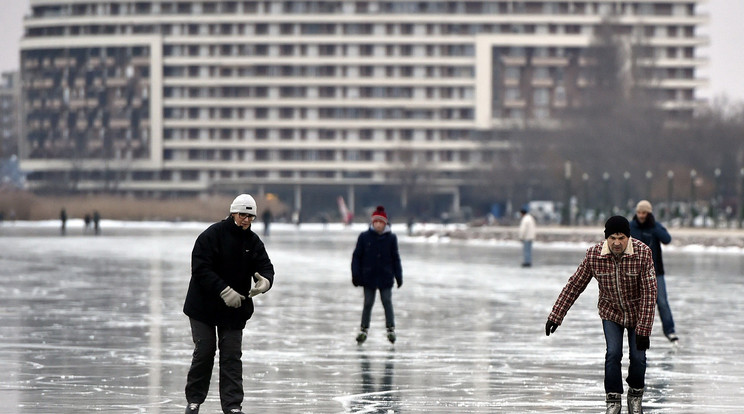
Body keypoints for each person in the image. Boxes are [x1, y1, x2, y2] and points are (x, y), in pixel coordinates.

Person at [545, 216, 657, 414]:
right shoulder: (594, 255)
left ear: (628, 238)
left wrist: (644, 330)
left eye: (621, 238)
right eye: (612, 237)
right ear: (606, 238)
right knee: (613, 353)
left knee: (638, 357)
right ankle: (613, 400)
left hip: (638, 312)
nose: (616, 242)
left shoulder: (643, 253)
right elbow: (575, 285)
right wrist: (556, 315)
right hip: (610, 312)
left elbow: (650, 293)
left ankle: (635, 395)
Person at [182, 194, 275, 414]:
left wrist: (265, 281)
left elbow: (265, 266)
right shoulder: (212, 235)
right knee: (205, 350)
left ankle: (232, 406)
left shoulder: (253, 242)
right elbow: (201, 268)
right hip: (203, 306)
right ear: (233, 212)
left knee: (232, 355)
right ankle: (194, 400)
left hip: (234, 310)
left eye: (251, 216)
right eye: (243, 215)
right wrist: (224, 290)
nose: (246, 220)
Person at [351, 205, 403, 345]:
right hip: (369, 276)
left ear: (385, 224)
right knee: (368, 303)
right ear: (373, 223)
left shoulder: (391, 238)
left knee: (387, 301)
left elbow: (395, 258)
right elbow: (357, 256)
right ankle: (363, 329)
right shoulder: (364, 237)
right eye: (376, 222)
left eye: (381, 222)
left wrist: (398, 276)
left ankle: (390, 328)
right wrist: (355, 275)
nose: (379, 225)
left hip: (385, 276)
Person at [631, 200, 678, 343]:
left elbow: (667, 239)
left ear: (649, 213)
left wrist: (654, 225)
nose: (641, 215)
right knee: (638, 304)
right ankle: (639, 333)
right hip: (636, 273)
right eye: (639, 212)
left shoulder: (655, 226)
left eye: (644, 213)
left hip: (656, 272)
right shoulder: (630, 226)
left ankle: (670, 331)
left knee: (662, 302)